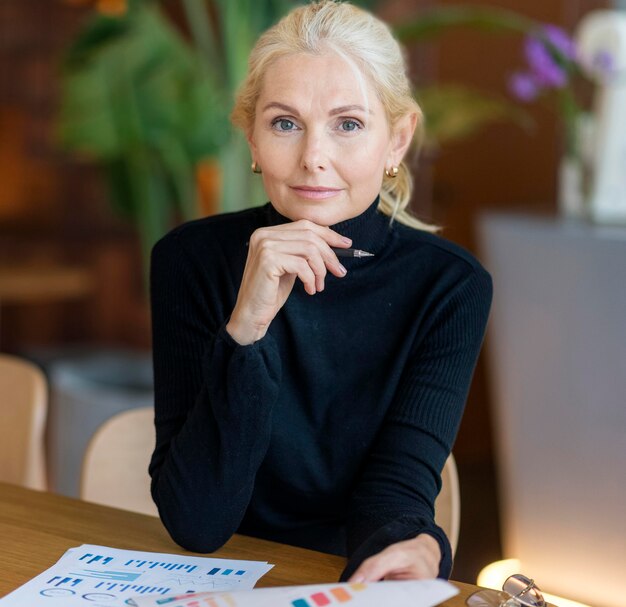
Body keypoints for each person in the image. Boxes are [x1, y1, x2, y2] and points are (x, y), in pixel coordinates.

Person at [149, 0, 492, 583]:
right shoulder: (190, 261)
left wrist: (419, 547)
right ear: (253, 138)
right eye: (285, 123)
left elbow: (396, 486)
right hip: (217, 576)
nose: (313, 158)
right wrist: (247, 328)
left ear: (397, 141)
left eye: (348, 124)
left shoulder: (449, 287)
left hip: (344, 577)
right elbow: (198, 523)